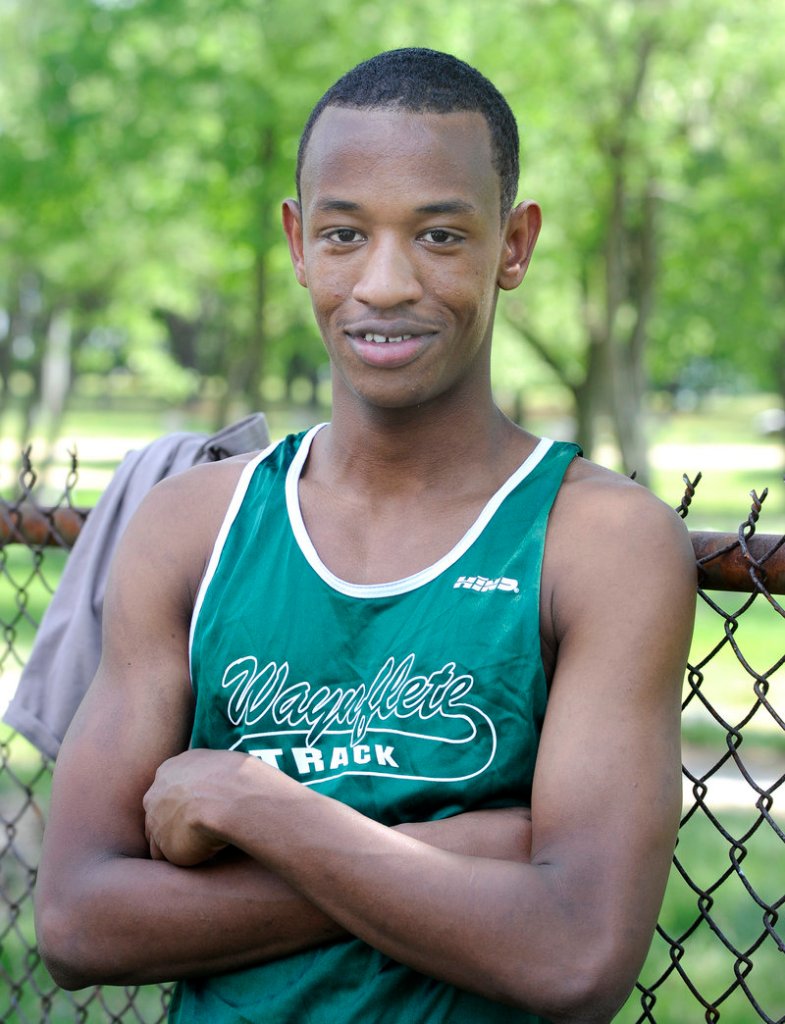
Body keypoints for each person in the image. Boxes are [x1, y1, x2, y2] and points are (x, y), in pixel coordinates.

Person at [35, 48, 696, 1024]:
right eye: (344, 233)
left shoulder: (597, 539)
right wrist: (463, 858)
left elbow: (572, 952)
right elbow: (79, 921)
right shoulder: (195, 526)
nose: (383, 284)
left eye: (437, 234)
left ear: (512, 246)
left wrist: (259, 808)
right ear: (299, 243)